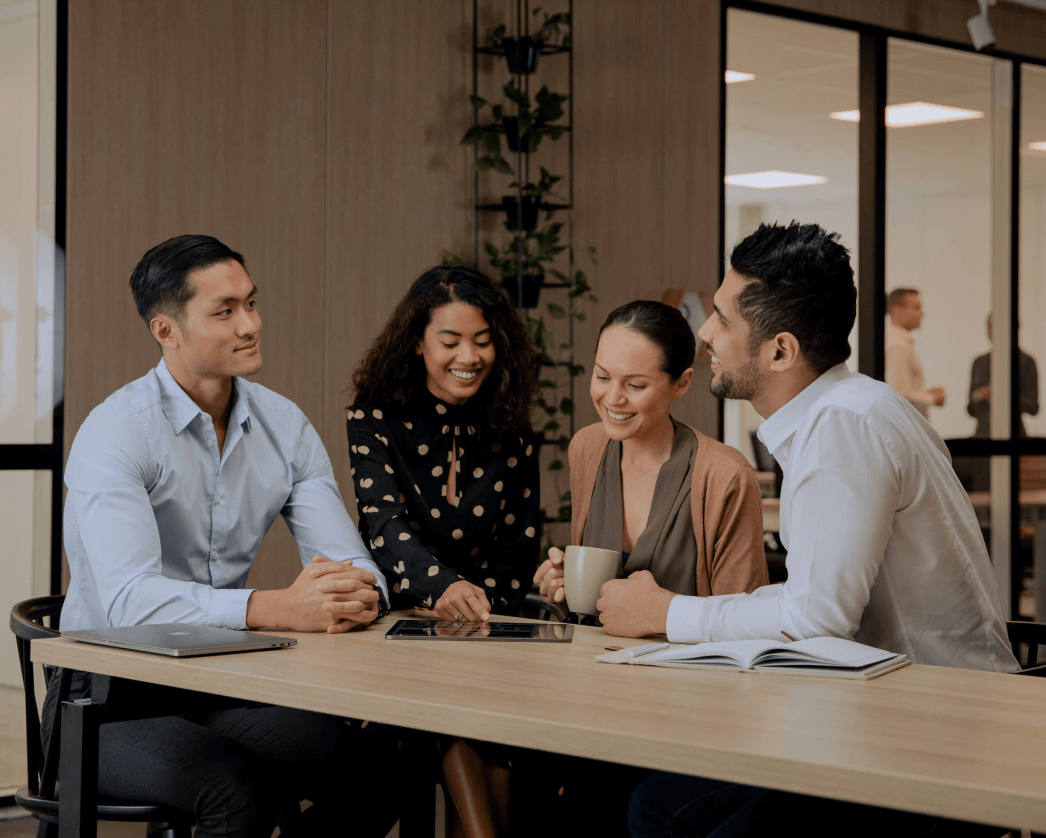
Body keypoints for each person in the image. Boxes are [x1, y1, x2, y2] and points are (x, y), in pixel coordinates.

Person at [617, 222, 1017, 838]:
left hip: (935, 738)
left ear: (780, 351)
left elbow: (815, 620)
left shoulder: (841, 429)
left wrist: (666, 613)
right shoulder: (853, 408)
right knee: (656, 802)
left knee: (660, 810)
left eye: (722, 319)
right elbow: (812, 600)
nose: (704, 333)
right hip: (892, 716)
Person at [52, 235, 398, 838]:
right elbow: (130, 604)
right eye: (225, 311)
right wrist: (278, 607)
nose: (251, 324)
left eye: (251, 303)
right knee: (233, 790)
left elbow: (348, 563)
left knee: (381, 763)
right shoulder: (116, 432)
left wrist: (354, 592)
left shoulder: (284, 426)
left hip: (222, 683)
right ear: (167, 330)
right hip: (106, 700)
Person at [348, 265, 542, 838]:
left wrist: (483, 616)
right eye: (450, 341)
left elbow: (519, 545)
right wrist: (442, 590)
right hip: (401, 624)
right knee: (447, 701)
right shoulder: (373, 415)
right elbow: (381, 524)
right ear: (417, 341)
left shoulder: (513, 430)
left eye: (482, 341)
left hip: (489, 628)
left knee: (485, 708)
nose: (469, 356)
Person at [533, 300, 767, 612]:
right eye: (602, 377)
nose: (613, 398)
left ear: (681, 384)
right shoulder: (586, 447)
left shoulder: (725, 475)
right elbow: (587, 605)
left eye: (635, 384)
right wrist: (563, 583)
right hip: (589, 658)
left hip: (683, 661)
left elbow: (745, 617)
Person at [968, 313, 1039, 438]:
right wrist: (979, 395)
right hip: (982, 435)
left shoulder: (1026, 361)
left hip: (1014, 434)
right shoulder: (979, 362)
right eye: (990, 327)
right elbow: (970, 409)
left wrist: (1003, 395)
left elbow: (1033, 407)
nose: (992, 331)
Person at [885, 287, 945, 419]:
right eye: (916, 308)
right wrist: (933, 398)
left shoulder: (898, 342)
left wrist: (923, 393)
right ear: (896, 311)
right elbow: (900, 394)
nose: (922, 313)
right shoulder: (898, 346)